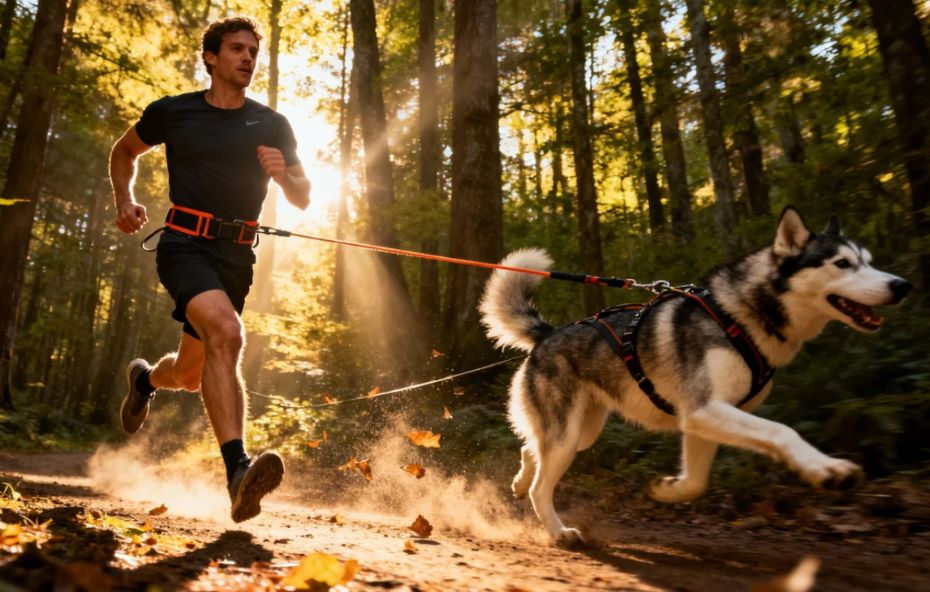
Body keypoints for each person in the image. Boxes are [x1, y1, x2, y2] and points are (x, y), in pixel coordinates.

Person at [108, 16, 310, 523]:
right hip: (183, 245)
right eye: (236, 49)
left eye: (253, 52)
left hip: (237, 256)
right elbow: (124, 151)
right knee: (227, 331)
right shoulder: (174, 112)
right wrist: (125, 200)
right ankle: (238, 471)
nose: (247, 58)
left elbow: (305, 197)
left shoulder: (272, 124)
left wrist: (285, 178)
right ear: (211, 58)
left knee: (191, 372)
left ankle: (146, 381)